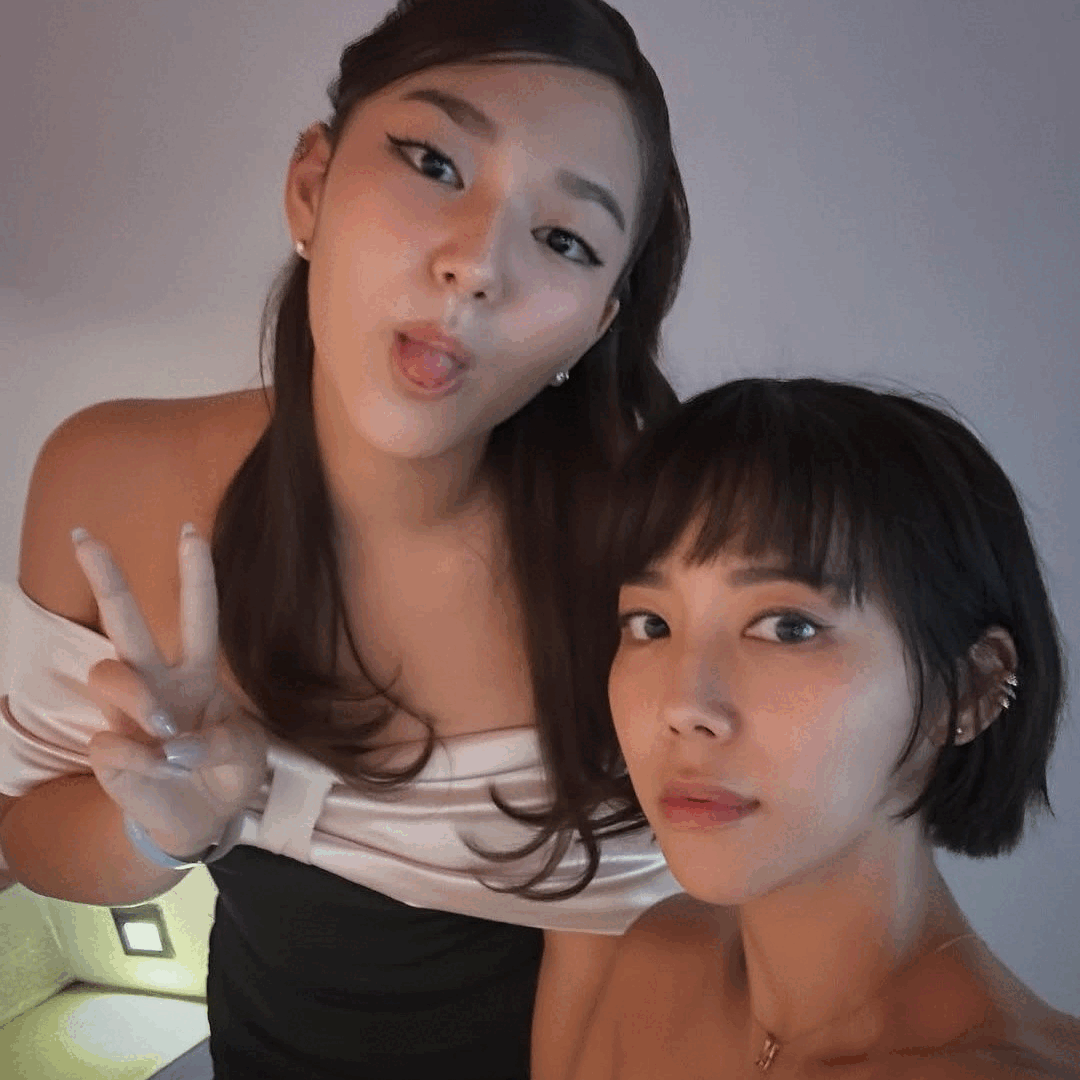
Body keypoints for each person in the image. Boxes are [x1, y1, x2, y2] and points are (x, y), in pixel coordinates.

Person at [0, 1, 690, 1076]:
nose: (476, 266)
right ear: (311, 187)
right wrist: (164, 830)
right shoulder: (111, 479)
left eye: (563, 239)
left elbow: (638, 950)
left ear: (595, 324)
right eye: (435, 163)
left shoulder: (656, 565)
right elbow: (24, 834)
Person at [573, 378, 1079, 1079]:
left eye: (789, 627)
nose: (684, 706)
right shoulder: (654, 969)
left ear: (969, 689)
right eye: (650, 624)